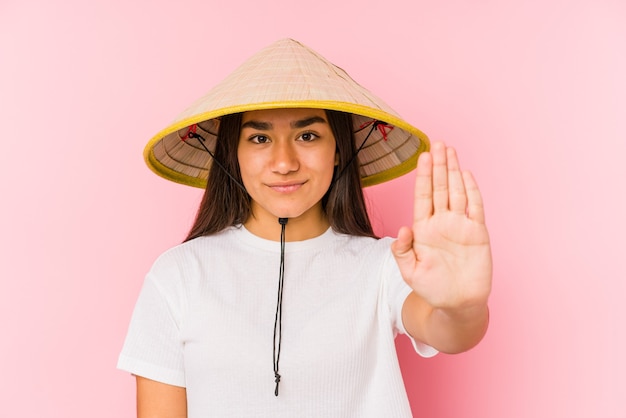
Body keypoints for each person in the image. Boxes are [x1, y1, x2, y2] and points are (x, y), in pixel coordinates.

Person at [118, 39, 492, 417]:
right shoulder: (179, 274)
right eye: (260, 138)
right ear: (234, 152)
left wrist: (463, 306)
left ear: (339, 150)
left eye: (308, 136)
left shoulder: (386, 265)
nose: (284, 163)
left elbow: (450, 332)